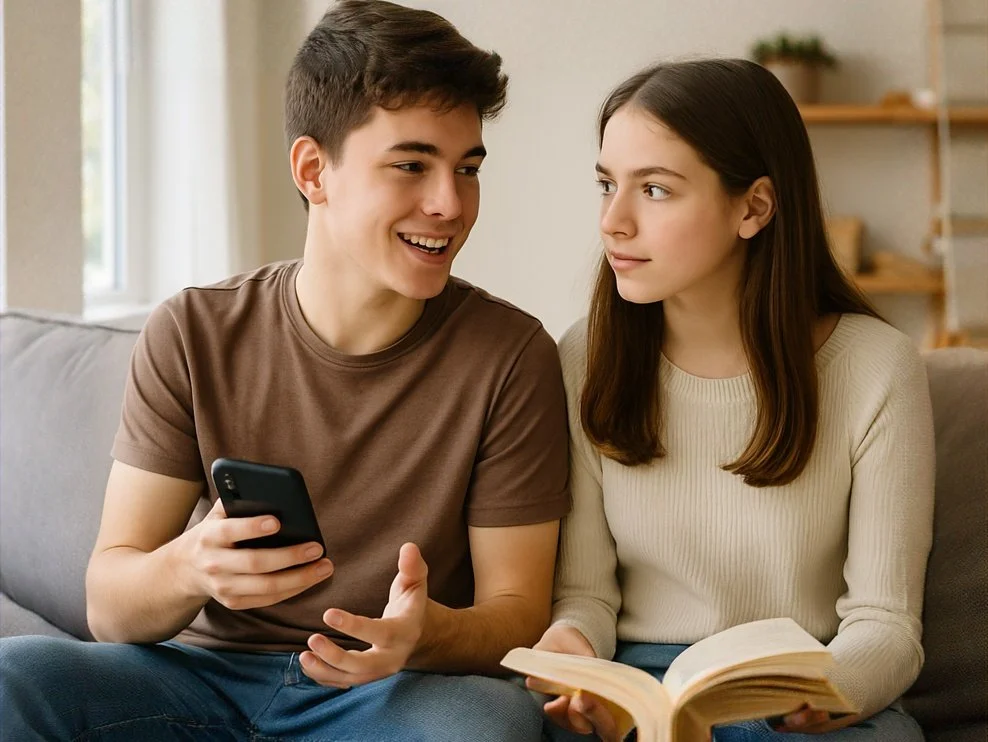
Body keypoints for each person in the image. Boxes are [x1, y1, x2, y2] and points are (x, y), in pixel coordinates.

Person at [0, 2, 569, 740]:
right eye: (412, 165)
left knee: (487, 725)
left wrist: (424, 635)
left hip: (390, 693)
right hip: (196, 679)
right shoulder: (194, 332)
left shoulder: (510, 356)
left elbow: (518, 613)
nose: (450, 204)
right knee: (15, 680)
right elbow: (110, 606)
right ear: (313, 170)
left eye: (466, 169)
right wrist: (189, 569)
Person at [525, 59, 934, 742]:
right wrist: (572, 651)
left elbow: (886, 622)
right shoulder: (585, 355)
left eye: (655, 190)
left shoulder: (875, 367)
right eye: (606, 185)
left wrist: (831, 690)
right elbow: (587, 596)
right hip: (641, 690)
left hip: (799, 689)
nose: (613, 222)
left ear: (754, 207)